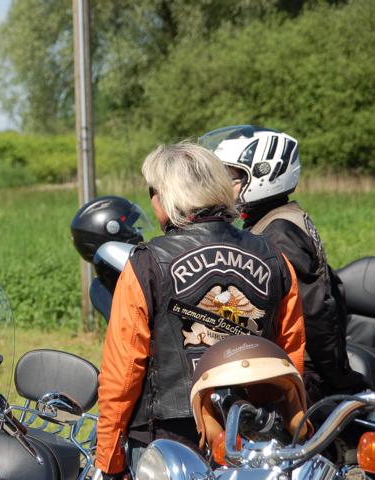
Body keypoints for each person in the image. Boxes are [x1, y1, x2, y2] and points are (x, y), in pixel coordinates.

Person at [95, 142, 306, 477]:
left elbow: (122, 374)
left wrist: (108, 459)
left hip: (168, 442)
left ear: (168, 196)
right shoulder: (273, 258)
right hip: (253, 434)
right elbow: (290, 357)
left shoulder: (147, 264)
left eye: (153, 192)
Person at [202, 125, 369, 401]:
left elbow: (313, 312)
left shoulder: (279, 233)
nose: (222, 185)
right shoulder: (273, 220)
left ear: (264, 175)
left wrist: (341, 380)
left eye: (232, 176)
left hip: (300, 372)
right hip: (283, 362)